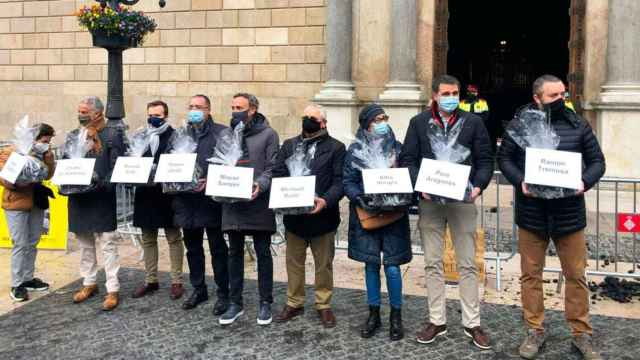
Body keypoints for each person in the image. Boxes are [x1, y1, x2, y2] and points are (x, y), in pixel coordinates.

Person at [498, 74, 605, 360]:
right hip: (532, 214)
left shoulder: (577, 124)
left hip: (569, 214)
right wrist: (520, 181)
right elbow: (504, 158)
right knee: (530, 275)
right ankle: (535, 329)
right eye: (554, 96)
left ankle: (581, 333)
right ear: (537, 98)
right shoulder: (521, 125)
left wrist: (584, 182)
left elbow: (598, 161)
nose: (561, 100)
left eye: (563, 95)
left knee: (576, 275)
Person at [399, 75, 494, 349]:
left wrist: (478, 186)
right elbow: (408, 159)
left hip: (463, 200)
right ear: (435, 96)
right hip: (430, 201)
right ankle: (436, 319)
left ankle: (472, 322)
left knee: (466, 263)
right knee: (432, 261)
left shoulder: (472, 122)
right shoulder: (418, 123)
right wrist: (420, 185)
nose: (452, 97)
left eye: (455, 92)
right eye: (446, 93)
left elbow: (485, 159)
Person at [272, 104, 345, 329]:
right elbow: (278, 172)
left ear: (323, 122)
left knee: (324, 264)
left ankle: (323, 305)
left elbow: (339, 180)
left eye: (312, 118)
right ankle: (295, 302)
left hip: (323, 217)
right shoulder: (290, 145)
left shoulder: (336, 147)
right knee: (294, 263)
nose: (307, 121)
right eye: (304, 117)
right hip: (295, 219)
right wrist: (284, 195)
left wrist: (325, 200)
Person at [343, 104, 412, 341]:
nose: (383, 122)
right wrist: (360, 198)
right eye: (378, 119)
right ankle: (374, 314)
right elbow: (348, 181)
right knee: (371, 264)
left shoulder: (398, 148)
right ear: (367, 124)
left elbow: (409, 175)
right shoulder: (355, 150)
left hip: (394, 214)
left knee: (392, 266)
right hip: (368, 214)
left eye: (385, 118)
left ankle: (396, 315)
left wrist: (402, 195)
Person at [219, 93, 279, 326]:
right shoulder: (226, 134)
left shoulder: (268, 134)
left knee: (263, 253)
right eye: (233, 106)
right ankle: (236, 302)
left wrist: (260, 184)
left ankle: (265, 302)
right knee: (234, 253)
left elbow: (274, 167)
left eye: (240, 107)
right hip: (232, 203)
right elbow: (219, 163)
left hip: (258, 202)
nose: (235, 111)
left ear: (252, 109)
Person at [172, 95, 230, 314]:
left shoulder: (221, 133)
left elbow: (230, 164)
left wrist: (211, 180)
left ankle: (223, 292)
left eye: (199, 107)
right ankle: (199, 288)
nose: (194, 110)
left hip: (211, 201)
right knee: (193, 249)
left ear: (209, 109)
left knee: (217, 248)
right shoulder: (181, 134)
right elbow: (171, 162)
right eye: (191, 106)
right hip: (186, 202)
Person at [69, 96, 126, 311]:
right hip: (79, 198)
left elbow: (117, 165)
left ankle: (113, 288)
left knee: (108, 244)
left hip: (101, 197)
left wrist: (102, 183)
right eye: (79, 110)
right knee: (84, 245)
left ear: (97, 112)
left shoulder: (112, 134)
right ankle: (89, 283)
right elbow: (67, 161)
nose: (81, 114)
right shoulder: (74, 135)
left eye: (84, 111)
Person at [131, 100, 184, 301]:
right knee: (148, 239)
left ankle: (177, 281)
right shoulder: (140, 136)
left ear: (166, 116)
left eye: (158, 115)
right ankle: (150, 279)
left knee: (173, 238)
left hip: (167, 194)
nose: (153, 118)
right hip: (145, 194)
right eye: (150, 114)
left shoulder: (176, 136)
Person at [1, 123, 56, 302]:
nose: (47, 144)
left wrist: (48, 159)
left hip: (37, 202)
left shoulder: (47, 153)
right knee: (20, 243)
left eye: (49, 142)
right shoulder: (12, 151)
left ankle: (28, 278)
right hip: (16, 202)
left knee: (33, 241)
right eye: (44, 141)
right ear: (34, 138)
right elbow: (4, 177)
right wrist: (20, 181)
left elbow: (48, 175)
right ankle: (17, 284)